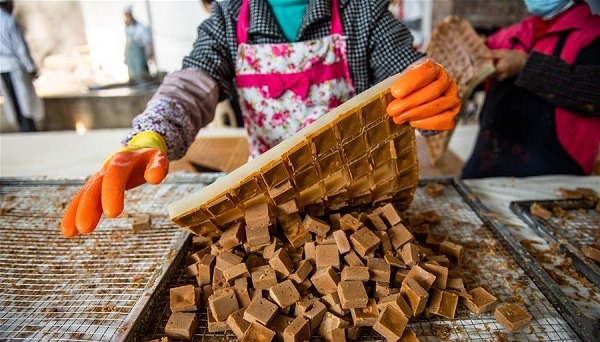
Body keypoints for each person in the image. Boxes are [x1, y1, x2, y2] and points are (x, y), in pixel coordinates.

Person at [61, 0, 460, 238]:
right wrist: (151, 135)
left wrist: (430, 89)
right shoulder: (229, 18)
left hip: (353, 194)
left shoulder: (362, 12)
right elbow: (193, 82)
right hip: (266, 199)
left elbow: (407, 73)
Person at [462, 0, 600, 178]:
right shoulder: (512, 34)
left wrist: (525, 65)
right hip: (487, 165)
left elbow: (592, 90)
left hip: (551, 177)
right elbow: (473, 75)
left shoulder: (593, 35)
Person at [0, 0, 43, 132]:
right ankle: (28, 128)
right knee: (23, 99)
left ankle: (21, 127)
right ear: (6, 4)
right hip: (14, 64)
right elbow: (21, 48)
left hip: (2, 66)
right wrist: (31, 67)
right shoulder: (9, 21)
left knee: (12, 99)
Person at [124, 5, 154, 82]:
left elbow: (147, 42)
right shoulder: (128, 28)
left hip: (139, 61)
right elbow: (127, 44)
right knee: (133, 79)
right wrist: (125, 56)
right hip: (131, 62)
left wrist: (149, 54)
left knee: (142, 79)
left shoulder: (139, 27)